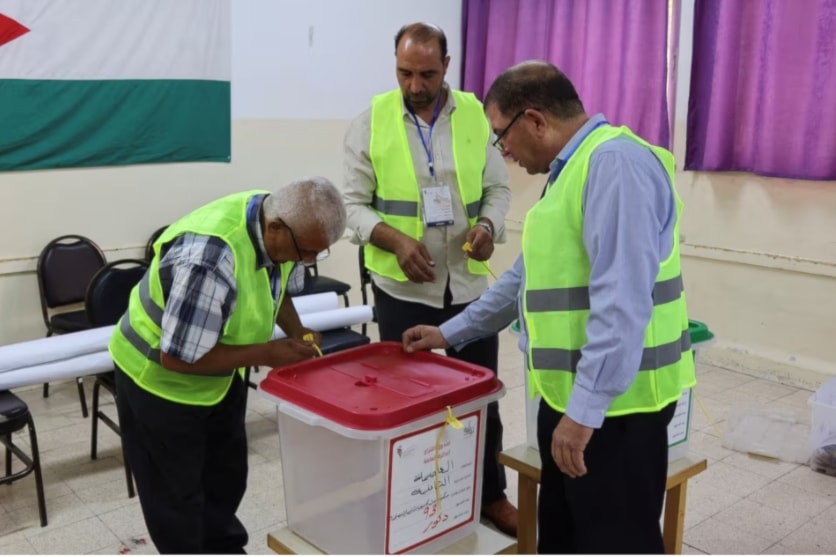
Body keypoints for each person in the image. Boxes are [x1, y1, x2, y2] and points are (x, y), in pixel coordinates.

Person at [402, 61, 696, 554]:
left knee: (613, 542)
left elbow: (620, 304)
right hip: (569, 400)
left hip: (617, 412)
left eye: (502, 136)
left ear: (535, 120)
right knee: (562, 535)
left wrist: (584, 414)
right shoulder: (569, 173)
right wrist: (449, 333)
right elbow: (524, 279)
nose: (505, 152)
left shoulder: (615, 166)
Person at [341, 22, 517, 535]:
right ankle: (405, 501)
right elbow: (351, 205)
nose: (415, 85)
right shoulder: (369, 122)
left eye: (427, 74)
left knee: (480, 394)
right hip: (401, 288)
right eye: (404, 72)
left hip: (466, 286)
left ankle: (489, 494)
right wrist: (393, 240)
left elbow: (498, 191)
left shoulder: (475, 116)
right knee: (404, 401)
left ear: (447, 65)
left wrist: (488, 225)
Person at [108, 177, 347, 554]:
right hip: (158, 380)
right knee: (177, 497)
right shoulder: (211, 256)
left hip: (220, 372)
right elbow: (177, 357)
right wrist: (268, 353)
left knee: (226, 476)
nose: (309, 262)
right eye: (307, 252)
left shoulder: (280, 228)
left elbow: (277, 286)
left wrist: (298, 331)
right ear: (276, 228)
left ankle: (225, 547)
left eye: (319, 254)